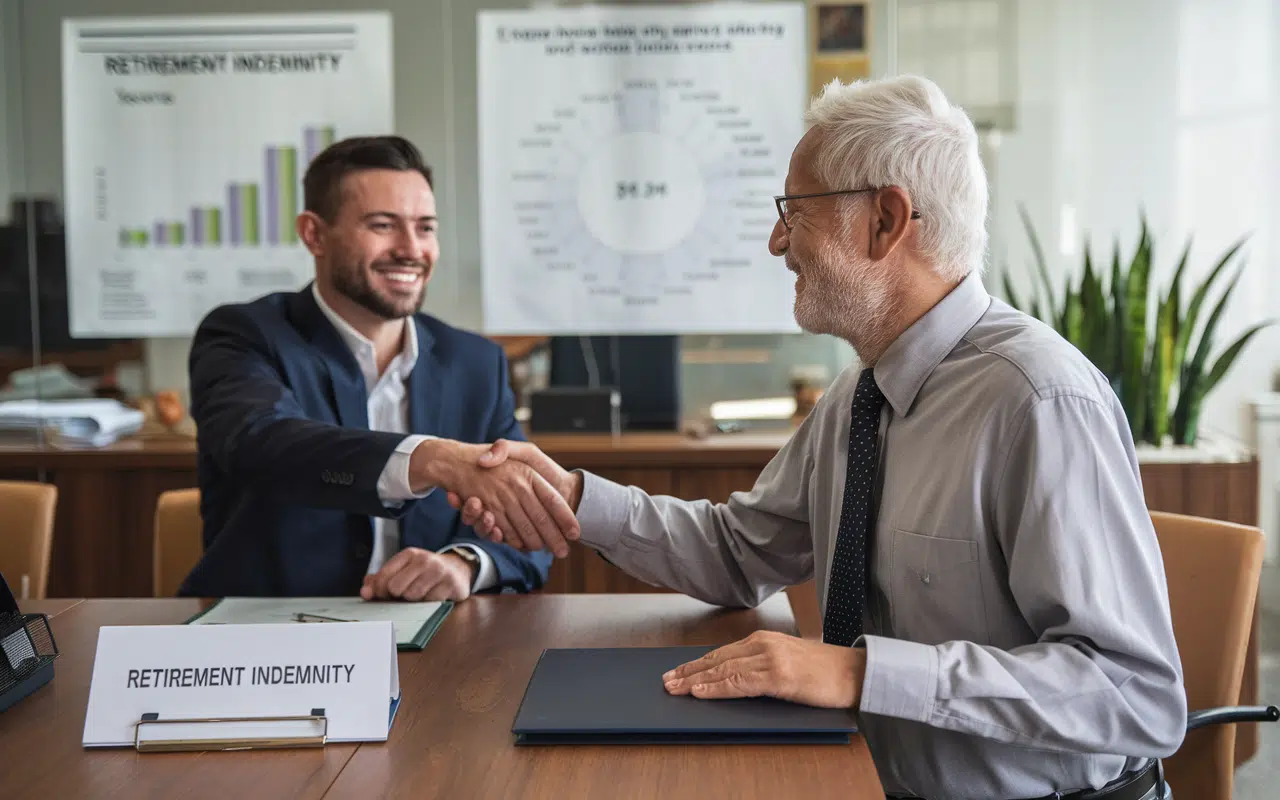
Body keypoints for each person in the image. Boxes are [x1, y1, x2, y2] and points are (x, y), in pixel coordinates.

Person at [449, 77, 1187, 799]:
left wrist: (859, 674)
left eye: (793, 210)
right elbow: (740, 552)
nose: (777, 242)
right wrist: (573, 496)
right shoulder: (858, 396)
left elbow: (1133, 693)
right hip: (852, 773)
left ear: (885, 221)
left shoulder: (1038, 400)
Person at [181, 135, 579, 600]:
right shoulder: (242, 335)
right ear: (314, 234)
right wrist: (432, 459)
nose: (411, 249)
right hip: (270, 650)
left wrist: (465, 564)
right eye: (383, 225)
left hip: (432, 652)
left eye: (426, 228)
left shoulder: (475, 363)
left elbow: (532, 524)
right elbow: (262, 446)